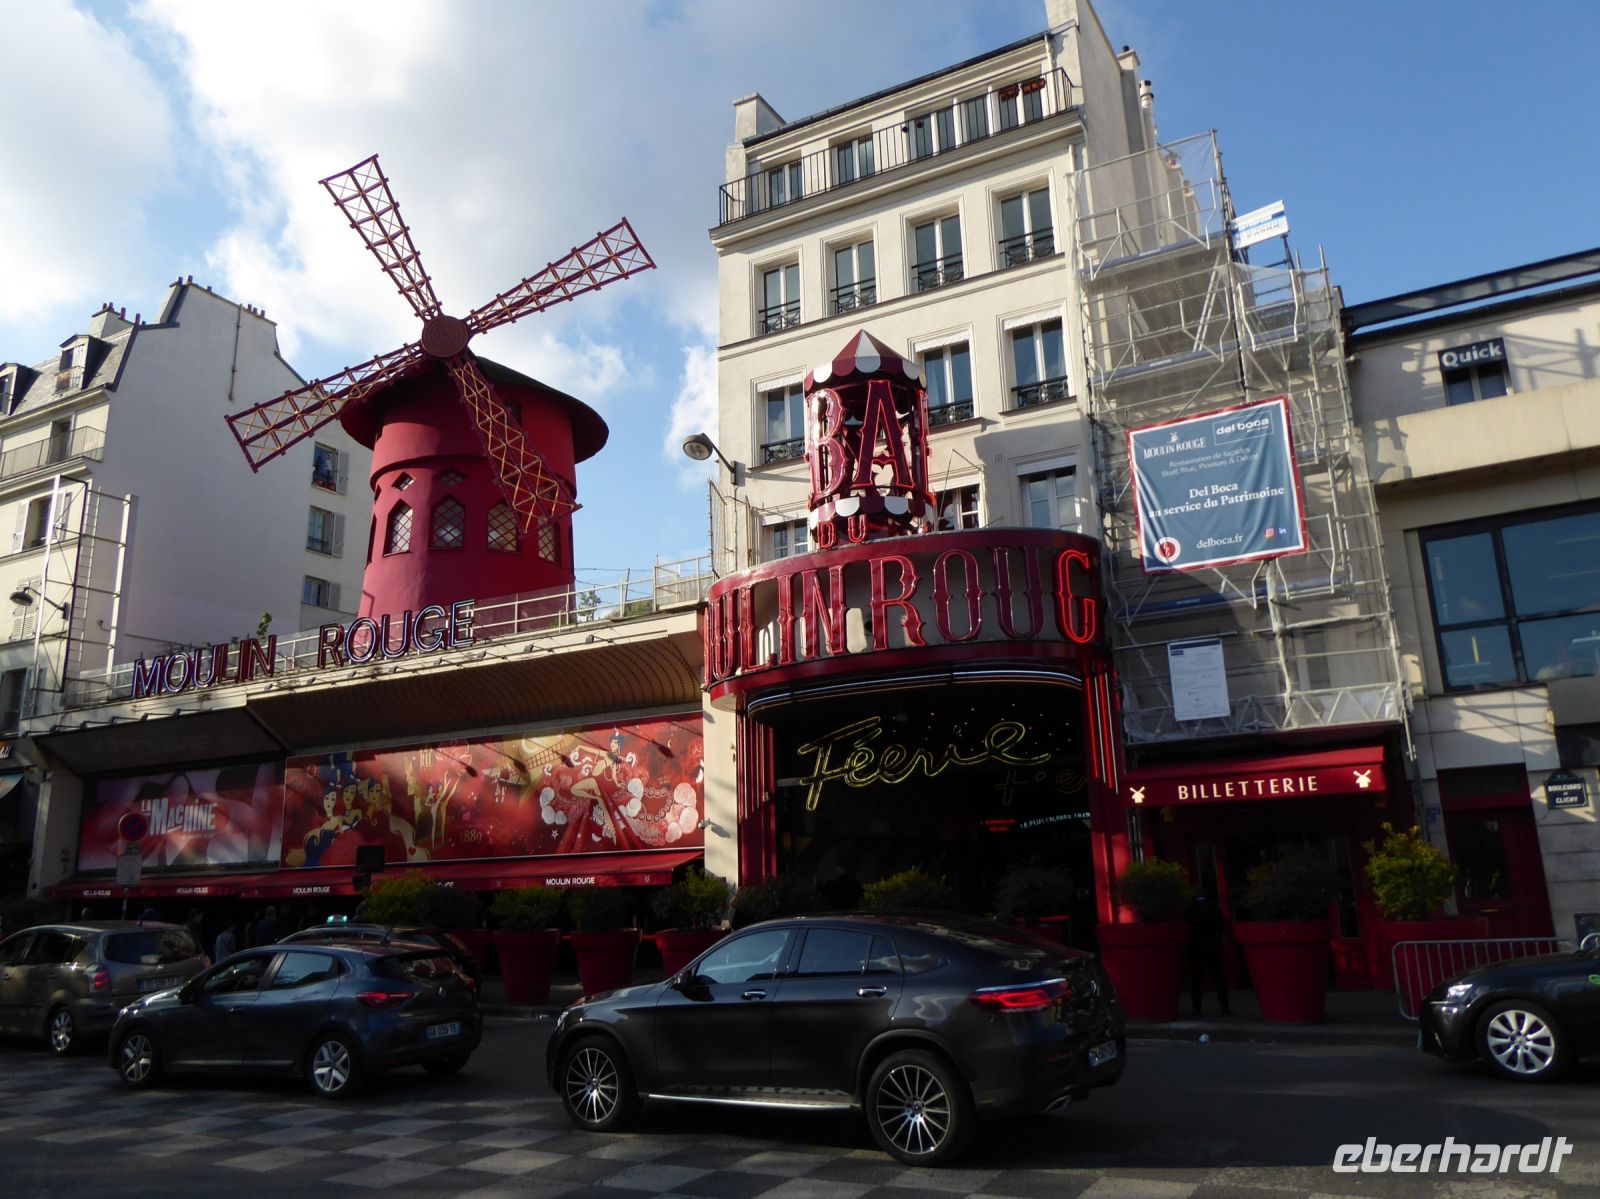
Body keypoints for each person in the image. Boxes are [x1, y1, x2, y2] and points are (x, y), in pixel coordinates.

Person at [1187, 891, 1230, 1016]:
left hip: (1195, 946)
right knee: (1219, 978)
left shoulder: (1191, 908)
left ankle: (1197, 1008)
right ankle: (1224, 1007)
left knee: (1195, 980)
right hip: (1213, 944)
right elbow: (1222, 926)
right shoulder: (1214, 907)